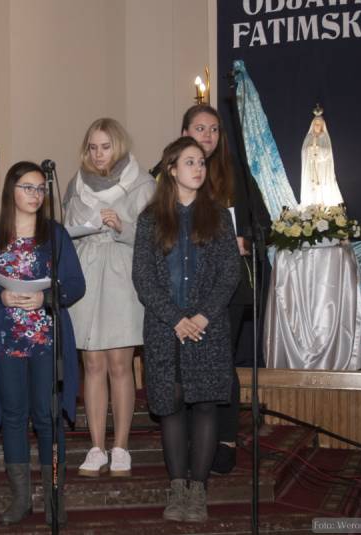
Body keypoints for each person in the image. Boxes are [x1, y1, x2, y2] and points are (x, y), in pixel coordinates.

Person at [132, 137, 239, 523]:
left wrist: (204, 316)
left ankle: (199, 489)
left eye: (201, 162)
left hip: (208, 327)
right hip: (166, 328)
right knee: (172, 405)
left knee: (207, 404)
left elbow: (230, 272)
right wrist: (175, 318)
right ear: (172, 169)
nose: (198, 168)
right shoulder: (150, 219)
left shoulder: (219, 217)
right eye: (189, 162)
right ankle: (178, 488)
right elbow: (143, 278)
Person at [0, 161, 86, 526]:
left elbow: (76, 284)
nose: (36, 194)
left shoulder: (55, 235)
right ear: (11, 190)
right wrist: (0, 297)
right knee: (13, 416)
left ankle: (55, 497)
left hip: (46, 340)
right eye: (28, 187)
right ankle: (21, 498)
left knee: (47, 415)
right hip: (7, 339)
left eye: (41, 188)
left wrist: (47, 298)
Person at [177, 104, 270, 474]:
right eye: (200, 128)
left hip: (228, 288)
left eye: (214, 129)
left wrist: (245, 240)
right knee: (187, 366)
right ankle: (192, 439)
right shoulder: (170, 172)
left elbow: (262, 224)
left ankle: (226, 440)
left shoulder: (236, 173)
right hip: (184, 288)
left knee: (220, 363)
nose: (208, 135)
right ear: (185, 133)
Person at [63, 118, 154, 477]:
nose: (99, 154)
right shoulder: (76, 183)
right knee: (93, 364)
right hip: (86, 273)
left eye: (105, 146)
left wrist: (122, 226)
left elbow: (154, 237)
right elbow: (65, 231)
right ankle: (96, 446)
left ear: (118, 146)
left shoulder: (143, 183)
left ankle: (121, 447)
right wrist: (82, 227)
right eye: (93, 147)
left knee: (120, 364)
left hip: (122, 274)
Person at [300, 111, 343, 207]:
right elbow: (303, 151)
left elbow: (328, 151)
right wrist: (309, 149)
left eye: (319, 124)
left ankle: (323, 205)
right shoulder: (309, 136)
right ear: (312, 125)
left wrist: (318, 149)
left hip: (322, 167)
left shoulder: (325, 136)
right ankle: (311, 206)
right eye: (315, 124)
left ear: (322, 125)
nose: (317, 126)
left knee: (322, 186)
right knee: (312, 186)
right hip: (311, 167)